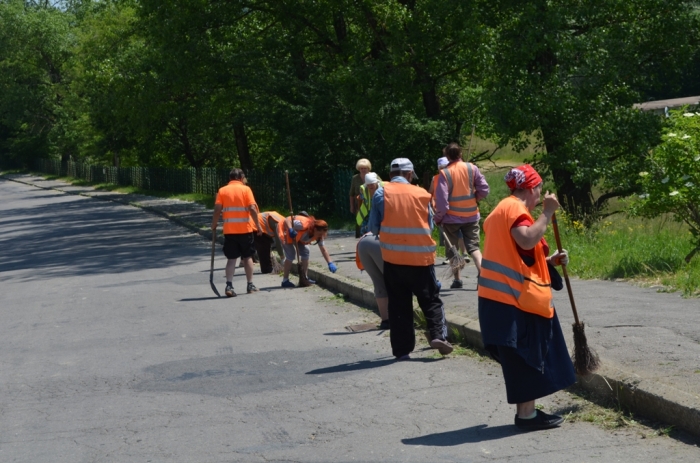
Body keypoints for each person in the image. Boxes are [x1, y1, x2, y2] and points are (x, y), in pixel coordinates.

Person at [478, 164, 575, 431]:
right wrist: (547, 212)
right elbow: (525, 240)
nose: (540, 195)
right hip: (513, 298)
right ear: (531, 188)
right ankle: (526, 416)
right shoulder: (515, 210)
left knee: (523, 357)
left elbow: (517, 255)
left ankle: (527, 414)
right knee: (526, 355)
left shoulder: (502, 209)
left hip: (501, 296)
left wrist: (550, 261)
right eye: (540, 190)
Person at [368, 157, 453, 360]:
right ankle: (438, 335)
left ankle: (402, 350)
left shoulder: (381, 193)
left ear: (390, 175)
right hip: (421, 259)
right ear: (409, 174)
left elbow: (373, 228)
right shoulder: (421, 193)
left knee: (398, 304)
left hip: (393, 259)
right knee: (431, 299)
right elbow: (430, 225)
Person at [434, 142, 489, 289]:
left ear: (447, 156)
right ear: (460, 154)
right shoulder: (472, 168)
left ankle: (457, 280)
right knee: (474, 247)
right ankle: (483, 276)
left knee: (452, 248)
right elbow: (484, 189)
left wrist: (438, 217)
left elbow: (442, 202)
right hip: (471, 215)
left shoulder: (445, 173)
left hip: (451, 218)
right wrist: (475, 198)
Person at [211, 168, 261, 297]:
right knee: (248, 257)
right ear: (241, 177)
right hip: (245, 229)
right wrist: (258, 226)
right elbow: (252, 208)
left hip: (230, 231)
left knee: (232, 259)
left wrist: (214, 224)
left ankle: (229, 285)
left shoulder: (222, 190)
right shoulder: (246, 189)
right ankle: (250, 284)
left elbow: (217, 210)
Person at [278, 214, 338, 288]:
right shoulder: (302, 224)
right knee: (291, 254)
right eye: (320, 234)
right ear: (315, 229)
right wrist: (290, 229)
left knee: (306, 251)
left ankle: (304, 278)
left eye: (323, 234)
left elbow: (323, 249)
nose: (321, 236)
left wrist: (330, 262)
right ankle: (285, 280)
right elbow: (287, 220)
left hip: (298, 237)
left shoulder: (320, 235)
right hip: (284, 230)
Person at [356, 232, 389, 330]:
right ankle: (402, 319)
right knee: (396, 280)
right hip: (379, 241)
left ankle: (386, 321)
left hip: (363, 242)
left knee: (379, 283)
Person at [349, 159, 371, 238]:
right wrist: (351, 206)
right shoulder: (355, 178)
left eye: (365, 168)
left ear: (368, 168)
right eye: (361, 168)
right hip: (359, 203)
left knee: (370, 221)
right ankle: (361, 239)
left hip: (370, 203)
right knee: (360, 221)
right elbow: (351, 193)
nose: (363, 170)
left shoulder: (373, 176)